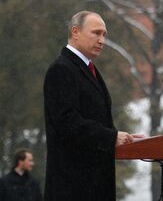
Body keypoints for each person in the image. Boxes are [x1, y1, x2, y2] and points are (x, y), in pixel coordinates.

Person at [43, 11, 142, 201]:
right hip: (73, 186)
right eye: (96, 33)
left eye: (104, 34)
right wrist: (111, 136)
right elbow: (66, 122)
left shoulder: (89, 69)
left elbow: (93, 118)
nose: (102, 40)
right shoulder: (61, 70)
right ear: (75, 32)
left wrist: (124, 138)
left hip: (93, 183)